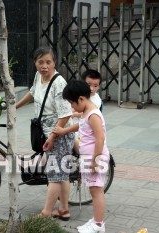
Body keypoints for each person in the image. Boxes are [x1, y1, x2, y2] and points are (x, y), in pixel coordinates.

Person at [16, 46, 75, 220]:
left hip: (59, 135)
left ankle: (46, 213)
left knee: (55, 176)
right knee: (62, 174)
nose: (44, 66)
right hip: (46, 132)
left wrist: (52, 136)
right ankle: (64, 210)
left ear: (54, 63)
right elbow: (33, 93)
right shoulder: (38, 77)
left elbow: (65, 114)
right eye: (40, 62)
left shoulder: (59, 83)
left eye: (48, 62)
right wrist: (15, 106)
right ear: (35, 63)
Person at [59, 79, 110, 233]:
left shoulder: (94, 114)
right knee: (94, 189)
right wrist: (65, 130)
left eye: (72, 103)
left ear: (81, 99)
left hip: (95, 158)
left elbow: (100, 138)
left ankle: (99, 224)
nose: (72, 106)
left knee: (96, 190)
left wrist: (95, 160)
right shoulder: (86, 112)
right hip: (88, 157)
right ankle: (96, 220)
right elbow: (81, 126)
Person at [54, 69, 103, 153]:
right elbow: (82, 123)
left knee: (74, 138)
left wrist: (95, 160)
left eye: (95, 86)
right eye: (89, 84)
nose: (91, 88)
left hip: (92, 156)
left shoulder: (93, 112)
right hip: (88, 154)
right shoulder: (85, 101)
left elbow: (100, 138)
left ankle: (78, 154)